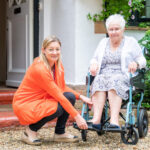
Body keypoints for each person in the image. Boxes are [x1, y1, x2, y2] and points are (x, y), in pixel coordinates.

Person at [13, 35, 92, 145]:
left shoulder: (57, 65)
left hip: (41, 100)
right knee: (58, 107)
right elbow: (59, 95)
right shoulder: (40, 68)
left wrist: (81, 96)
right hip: (26, 103)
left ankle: (60, 133)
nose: (54, 52)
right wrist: (77, 116)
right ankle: (30, 130)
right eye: (51, 49)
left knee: (70, 96)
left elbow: (62, 87)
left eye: (57, 49)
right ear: (43, 50)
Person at [89, 14, 146, 130]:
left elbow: (142, 59)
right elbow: (94, 58)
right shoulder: (103, 43)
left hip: (123, 76)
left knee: (115, 81)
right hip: (104, 75)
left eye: (116, 29)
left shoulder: (131, 42)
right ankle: (96, 120)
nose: (113, 32)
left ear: (123, 29)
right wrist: (93, 64)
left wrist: (136, 63)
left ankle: (114, 120)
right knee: (99, 80)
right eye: (111, 29)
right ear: (107, 30)